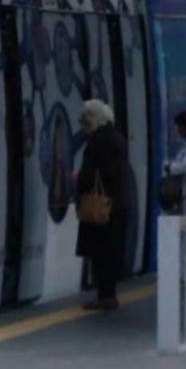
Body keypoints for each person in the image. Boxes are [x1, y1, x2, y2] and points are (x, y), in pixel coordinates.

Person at [74, 99, 131, 310]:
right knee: (109, 250)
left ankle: (106, 295)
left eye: (86, 121)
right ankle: (107, 294)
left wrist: (82, 177)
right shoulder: (116, 137)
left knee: (101, 252)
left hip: (103, 206)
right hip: (114, 204)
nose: (83, 126)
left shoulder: (101, 141)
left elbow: (106, 171)